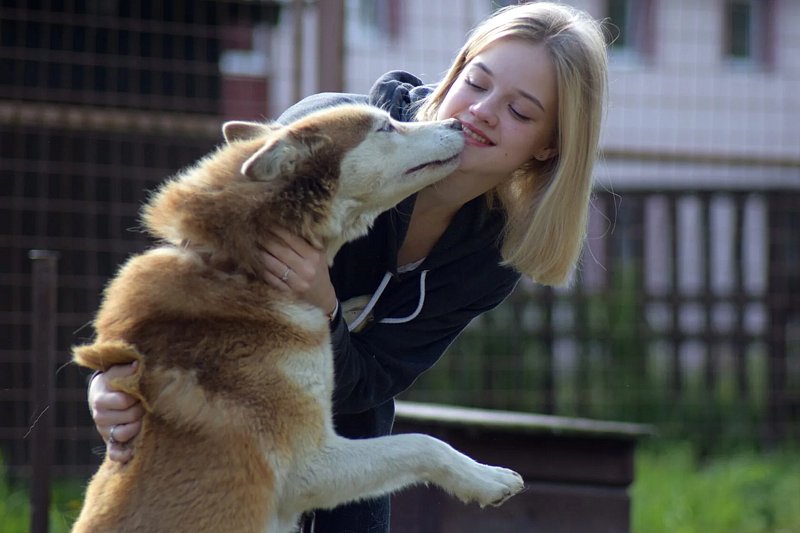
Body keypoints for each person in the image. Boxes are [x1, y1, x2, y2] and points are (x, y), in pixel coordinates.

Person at [87, 2, 608, 531]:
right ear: (455, 73)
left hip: (351, 436)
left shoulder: (492, 256)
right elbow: (191, 276)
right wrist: (112, 382)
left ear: (548, 147)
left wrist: (326, 305)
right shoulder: (334, 131)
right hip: (210, 466)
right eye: (476, 82)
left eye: (520, 112)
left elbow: (373, 379)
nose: (483, 111)